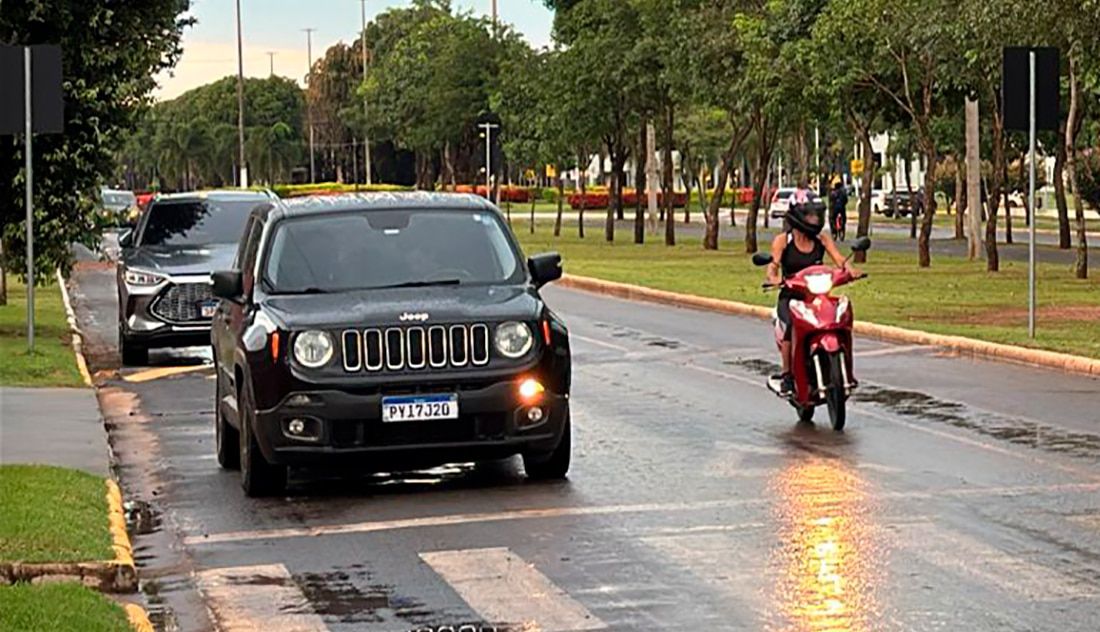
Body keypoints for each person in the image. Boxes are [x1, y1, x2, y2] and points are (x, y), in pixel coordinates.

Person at [765, 202, 859, 396]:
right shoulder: (783, 241)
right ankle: (787, 376)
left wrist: (849, 270)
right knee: (790, 326)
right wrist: (774, 278)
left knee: (837, 318)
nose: (815, 220)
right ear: (799, 218)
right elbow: (773, 266)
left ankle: (845, 371)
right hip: (792, 297)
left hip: (816, 295)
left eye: (817, 216)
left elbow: (839, 259)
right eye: (810, 216)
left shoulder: (822, 239)